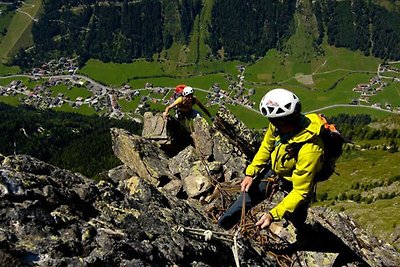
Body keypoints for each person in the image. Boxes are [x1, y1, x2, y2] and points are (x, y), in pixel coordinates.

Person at [218, 88, 325, 231]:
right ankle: (221, 226)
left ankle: (302, 234)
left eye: (273, 120)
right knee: (246, 198)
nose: (271, 123)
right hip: (275, 171)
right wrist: (251, 172)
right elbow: (266, 147)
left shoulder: (310, 149)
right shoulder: (278, 127)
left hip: (295, 182)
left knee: (296, 214)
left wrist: (272, 215)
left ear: (283, 120)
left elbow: (300, 191)